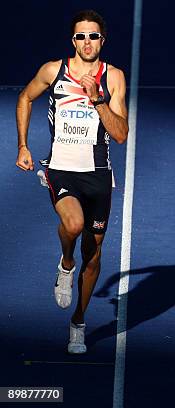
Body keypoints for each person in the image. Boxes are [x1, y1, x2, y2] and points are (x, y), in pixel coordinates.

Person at [15, 10, 128, 353]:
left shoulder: (114, 77)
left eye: (93, 36)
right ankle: (66, 263)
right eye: (81, 36)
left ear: (102, 41)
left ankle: (78, 320)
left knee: (93, 257)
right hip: (61, 169)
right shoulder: (54, 71)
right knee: (74, 224)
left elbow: (121, 134)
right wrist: (23, 145)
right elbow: (24, 98)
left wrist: (97, 99)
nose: (87, 42)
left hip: (97, 175)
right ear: (73, 40)